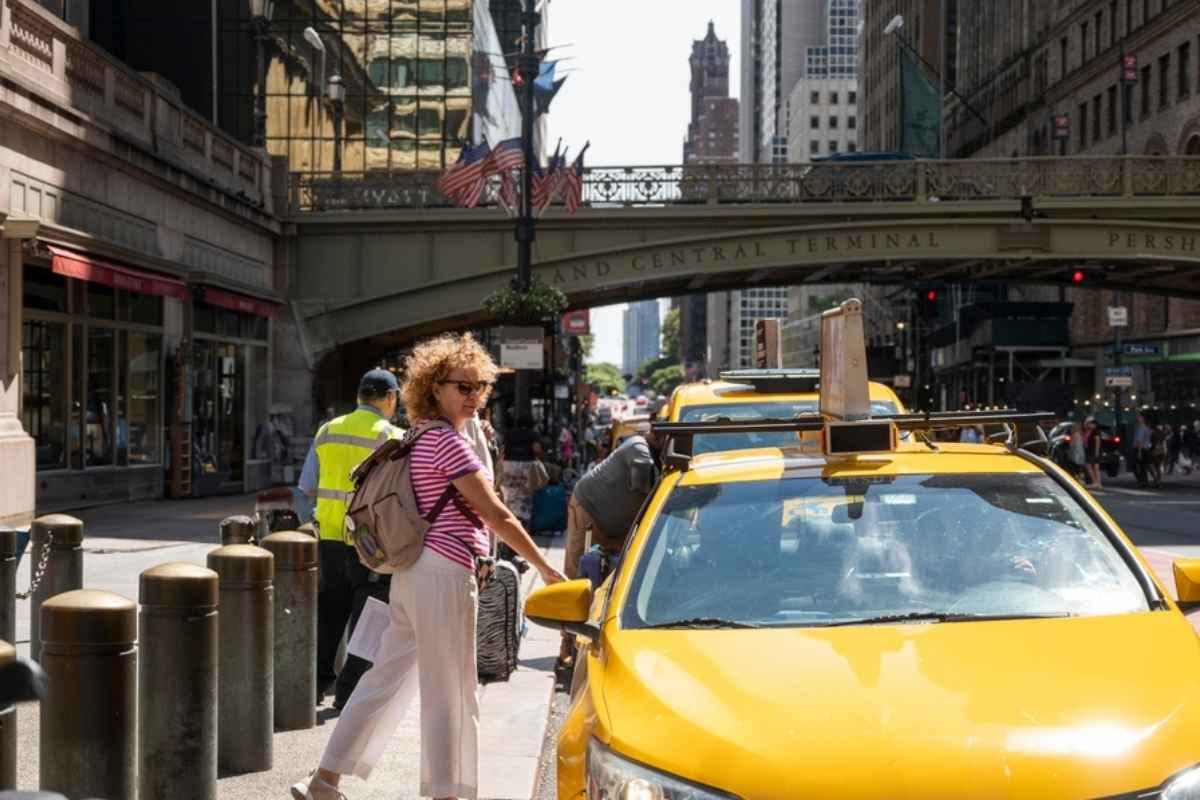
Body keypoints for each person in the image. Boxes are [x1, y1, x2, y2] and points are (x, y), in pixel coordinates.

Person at [291, 333, 565, 800]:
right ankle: (447, 793)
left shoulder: (419, 435)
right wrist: (546, 566)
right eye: (463, 386)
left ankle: (325, 778)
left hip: (413, 574)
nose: (474, 395)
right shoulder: (448, 444)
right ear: (434, 387)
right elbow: (495, 512)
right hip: (444, 573)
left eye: (480, 385)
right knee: (454, 692)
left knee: (383, 679)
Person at [300, 368, 404, 709]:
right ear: (389, 399)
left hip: (328, 536)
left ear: (360, 396)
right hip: (370, 543)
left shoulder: (328, 430)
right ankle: (347, 696)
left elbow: (308, 487)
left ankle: (314, 686)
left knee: (330, 615)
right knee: (368, 620)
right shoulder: (393, 436)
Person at [558, 431, 663, 666]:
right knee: (576, 576)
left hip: (618, 524)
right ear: (658, 436)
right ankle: (567, 644)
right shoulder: (639, 448)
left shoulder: (656, 457)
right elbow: (643, 486)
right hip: (589, 510)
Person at [1133, 414, 1153, 487]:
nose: (1137, 419)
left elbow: (1139, 441)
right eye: (1137, 418)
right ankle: (1145, 481)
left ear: (1142, 419)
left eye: (1139, 418)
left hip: (1141, 449)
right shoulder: (1147, 428)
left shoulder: (1140, 429)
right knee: (1144, 466)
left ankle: (1142, 481)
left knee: (1137, 467)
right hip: (1146, 449)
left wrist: (1139, 452)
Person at [1083, 418, 1103, 488]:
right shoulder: (1089, 431)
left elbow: (1098, 441)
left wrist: (1096, 451)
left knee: (1093, 466)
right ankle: (1097, 483)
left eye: (1091, 424)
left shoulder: (1095, 431)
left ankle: (1096, 482)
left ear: (1094, 424)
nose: (1089, 425)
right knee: (1094, 467)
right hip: (1090, 451)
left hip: (1093, 451)